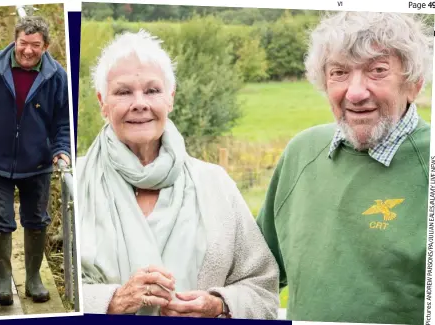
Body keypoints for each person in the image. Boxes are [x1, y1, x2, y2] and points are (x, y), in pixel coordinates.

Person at [76, 29, 279, 319]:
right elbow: (51, 292)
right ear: (102, 103)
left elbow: (263, 290)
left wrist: (218, 306)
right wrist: (112, 301)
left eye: (152, 90)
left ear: (170, 98)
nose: (139, 103)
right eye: (123, 92)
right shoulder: (74, 181)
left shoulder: (215, 183)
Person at [256, 11, 432, 324]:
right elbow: (255, 271)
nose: (355, 92)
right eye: (339, 73)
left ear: (413, 84)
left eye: (377, 70)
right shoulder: (301, 152)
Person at [0, 16, 70, 306]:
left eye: (35, 45)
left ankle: (33, 278)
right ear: (14, 41)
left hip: (38, 164)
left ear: (45, 46)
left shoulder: (58, 76)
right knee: (1, 220)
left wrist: (62, 149)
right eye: (23, 44)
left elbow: (62, 122)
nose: (28, 50)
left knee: (36, 220)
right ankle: (3, 281)